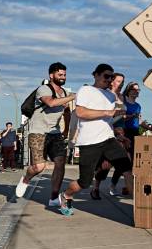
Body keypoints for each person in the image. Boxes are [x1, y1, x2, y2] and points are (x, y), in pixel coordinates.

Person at [57, 64, 133, 216]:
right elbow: (81, 112)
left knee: (127, 167)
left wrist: (119, 134)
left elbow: (107, 121)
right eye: (106, 76)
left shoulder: (110, 96)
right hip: (89, 142)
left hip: (108, 139)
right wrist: (107, 112)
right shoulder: (86, 90)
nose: (109, 80)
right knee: (84, 182)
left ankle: (140, 207)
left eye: (111, 77)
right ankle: (66, 195)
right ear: (96, 75)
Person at [15, 63, 75, 204]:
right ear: (51, 75)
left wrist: (66, 129)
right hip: (38, 132)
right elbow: (51, 103)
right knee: (39, 167)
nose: (63, 77)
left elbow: (66, 112)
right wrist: (72, 97)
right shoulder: (43, 89)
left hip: (55, 133)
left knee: (60, 163)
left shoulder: (65, 93)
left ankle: (54, 197)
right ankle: (26, 179)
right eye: (60, 75)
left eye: (64, 75)